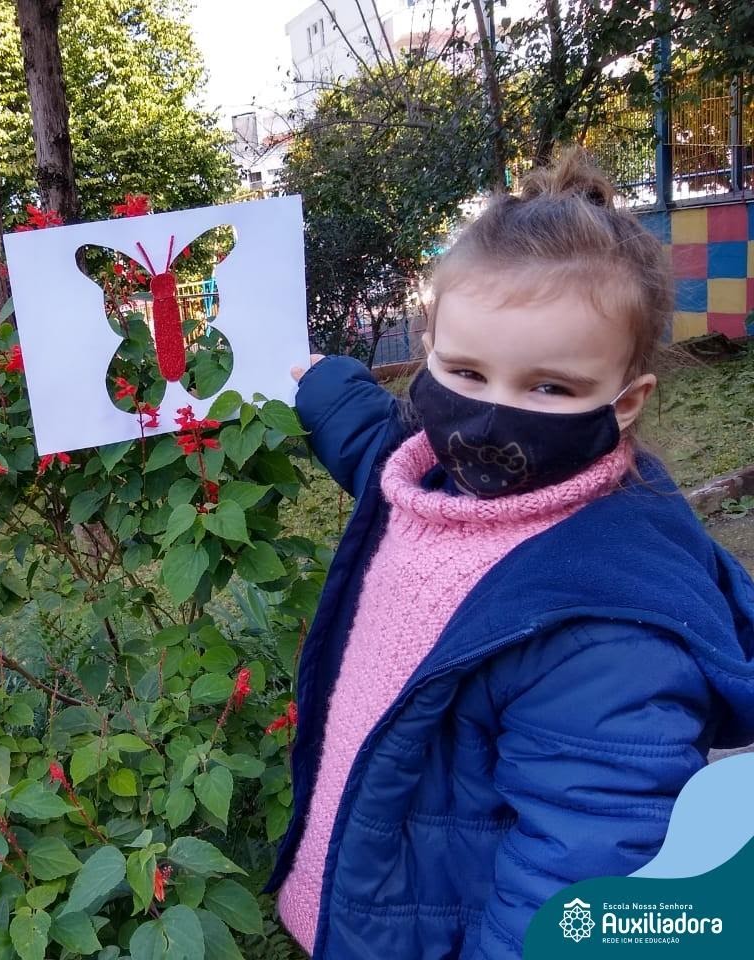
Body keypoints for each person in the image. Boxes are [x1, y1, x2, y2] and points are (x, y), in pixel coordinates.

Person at [267, 148, 754, 960]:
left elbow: (575, 883)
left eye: (548, 387)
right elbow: (380, 451)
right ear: (429, 355)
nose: (489, 419)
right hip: (371, 907)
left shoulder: (603, 636)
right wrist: (326, 388)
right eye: (465, 372)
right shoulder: (438, 481)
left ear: (625, 402)